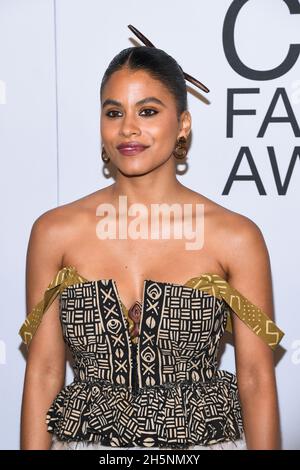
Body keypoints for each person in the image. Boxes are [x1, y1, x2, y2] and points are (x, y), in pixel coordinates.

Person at [19, 25, 284, 451]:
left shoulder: (235, 237)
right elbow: (45, 370)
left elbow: (254, 378)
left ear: (183, 124)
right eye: (113, 112)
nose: (127, 129)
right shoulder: (54, 232)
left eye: (147, 111)